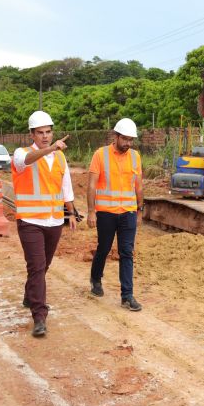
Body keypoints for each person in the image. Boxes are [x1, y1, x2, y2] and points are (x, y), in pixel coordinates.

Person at [12, 110, 79, 337]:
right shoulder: (21, 154)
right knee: (38, 266)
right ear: (32, 134)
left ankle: (30, 292)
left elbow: (66, 188)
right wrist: (50, 149)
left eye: (48, 132)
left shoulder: (60, 158)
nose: (45, 136)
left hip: (54, 221)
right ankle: (39, 316)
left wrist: (71, 214)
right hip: (30, 221)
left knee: (43, 266)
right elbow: (28, 161)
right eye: (40, 133)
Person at [87, 118, 144, 312]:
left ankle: (127, 296)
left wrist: (140, 210)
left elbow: (138, 186)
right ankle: (96, 279)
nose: (128, 143)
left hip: (128, 212)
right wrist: (91, 211)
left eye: (131, 140)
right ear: (116, 136)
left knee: (126, 252)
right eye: (125, 139)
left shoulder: (135, 157)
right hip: (105, 213)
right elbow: (92, 185)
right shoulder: (100, 155)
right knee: (104, 248)